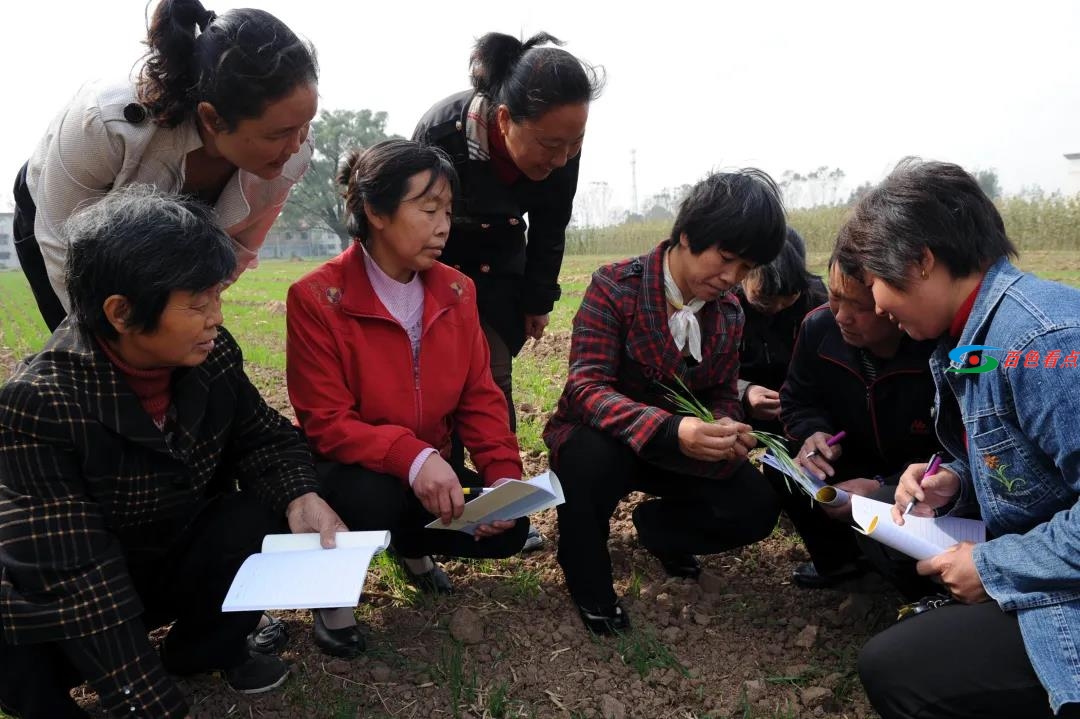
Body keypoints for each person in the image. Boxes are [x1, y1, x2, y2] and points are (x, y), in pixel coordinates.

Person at [0, 187, 346, 719]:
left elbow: (263, 436)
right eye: (197, 303)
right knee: (21, 666)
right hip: (68, 596)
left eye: (217, 296)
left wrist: (302, 496)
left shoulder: (209, 355)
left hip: (162, 556)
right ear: (121, 312)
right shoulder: (40, 404)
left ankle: (201, 651)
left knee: (253, 512)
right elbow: (78, 578)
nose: (216, 317)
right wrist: (152, 706)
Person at [834, 159, 1080, 719]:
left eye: (874, 281)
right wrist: (955, 480)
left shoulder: (1043, 343)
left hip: (1064, 596)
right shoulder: (975, 339)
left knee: (899, 669)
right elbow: (1030, 459)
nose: (874, 306)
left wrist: (993, 566)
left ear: (922, 260)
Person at [286, 140, 530, 658]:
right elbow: (325, 423)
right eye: (427, 209)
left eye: (447, 211)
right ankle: (334, 594)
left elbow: (480, 398)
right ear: (375, 211)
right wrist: (413, 456)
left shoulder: (458, 292)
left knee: (511, 529)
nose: (443, 226)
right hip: (354, 472)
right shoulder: (317, 298)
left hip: (427, 472)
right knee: (371, 496)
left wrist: (502, 478)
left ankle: (411, 548)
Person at [543, 170, 786, 634]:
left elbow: (721, 388)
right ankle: (586, 575)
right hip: (611, 440)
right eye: (726, 258)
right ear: (688, 234)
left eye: (745, 268)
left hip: (681, 446)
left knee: (755, 506)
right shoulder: (616, 287)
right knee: (586, 459)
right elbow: (587, 388)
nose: (731, 278)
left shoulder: (730, 312)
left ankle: (659, 529)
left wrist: (726, 425)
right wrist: (672, 429)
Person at [13, 0, 318, 331]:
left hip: (160, 246)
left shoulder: (293, 154)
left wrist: (187, 314)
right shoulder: (107, 124)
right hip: (58, 225)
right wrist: (106, 344)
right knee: (91, 356)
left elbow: (235, 250)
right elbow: (65, 250)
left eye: (305, 125)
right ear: (212, 119)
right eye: (279, 134)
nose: (297, 145)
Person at [413, 33, 602, 553]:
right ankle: (435, 500)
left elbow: (550, 227)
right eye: (549, 145)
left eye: (575, 143)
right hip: (437, 263)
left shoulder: (560, 150)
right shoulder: (441, 130)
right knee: (432, 384)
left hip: (499, 267)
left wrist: (538, 299)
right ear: (503, 122)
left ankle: (500, 497)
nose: (563, 159)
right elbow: (412, 216)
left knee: (491, 378)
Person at [773, 251, 941, 594]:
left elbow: (953, 446)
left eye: (860, 307)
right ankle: (840, 565)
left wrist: (881, 483)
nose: (842, 317)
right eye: (835, 298)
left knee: (887, 502)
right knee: (786, 470)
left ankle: (920, 591)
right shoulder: (818, 328)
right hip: (848, 454)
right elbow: (797, 398)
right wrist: (811, 433)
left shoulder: (935, 346)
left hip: (915, 472)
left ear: (892, 303)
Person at [735, 227, 827, 434]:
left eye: (789, 298)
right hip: (738, 415)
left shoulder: (816, 301)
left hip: (798, 413)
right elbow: (706, 375)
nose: (776, 308)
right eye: (764, 299)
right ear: (743, 275)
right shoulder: (724, 307)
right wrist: (743, 392)